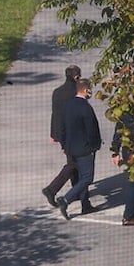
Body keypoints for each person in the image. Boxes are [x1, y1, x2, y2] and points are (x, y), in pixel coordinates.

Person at [42, 65, 91, 211]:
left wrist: (54, 134)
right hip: (76, 136)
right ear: (76, 77)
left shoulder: (57, 92)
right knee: (75, 165)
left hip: (62, 134)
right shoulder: (75, 92)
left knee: (73, 163)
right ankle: (52, 189)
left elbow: (55, 114)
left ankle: (75, 193)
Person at [55, 78, 101, 220]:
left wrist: (63, 144)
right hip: (84, 148)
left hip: (70, 148)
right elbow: (92, 130)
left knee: (80, 176)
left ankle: (85, 204)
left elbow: (62, 127)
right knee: (87, 178)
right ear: (86, 90)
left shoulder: (67, 105)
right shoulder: (86, 108)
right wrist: (95, 145)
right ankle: (66, 199)